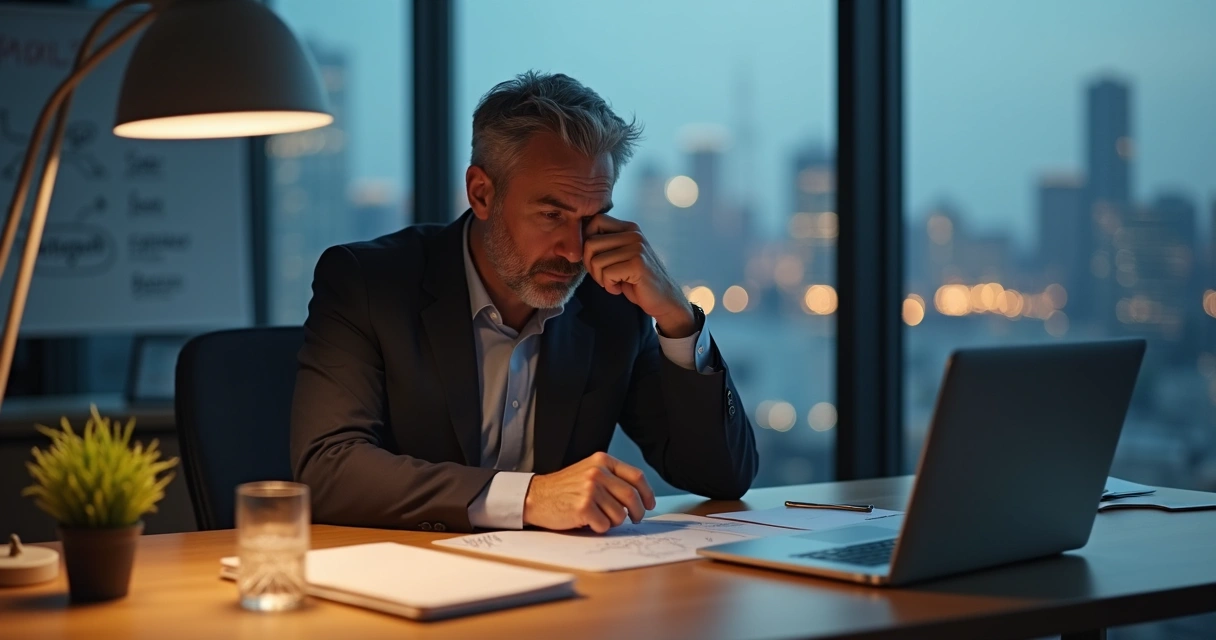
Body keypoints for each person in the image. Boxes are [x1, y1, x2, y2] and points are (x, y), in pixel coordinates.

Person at [290, 71, 757, 534]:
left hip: (560, 587)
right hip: (402, 576)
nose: (575, 251)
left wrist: (677, 319)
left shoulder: (612, 299)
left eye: (592, 217)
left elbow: (721, 478)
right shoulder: (368, 283)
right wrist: (530, 496)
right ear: (482, 193)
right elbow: (328, 469)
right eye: (552, 214)